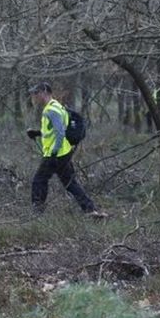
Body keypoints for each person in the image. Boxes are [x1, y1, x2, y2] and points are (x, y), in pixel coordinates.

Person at [27, 82, 105, 218]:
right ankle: (91, 210)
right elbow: (53, 130)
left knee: (39, 181)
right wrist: (37, 133)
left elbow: (60, 132)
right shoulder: (57, 107)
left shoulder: (51, 110)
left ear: (44, 92)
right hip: (64, 152)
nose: (34, 96)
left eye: (36, 93)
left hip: (56, 154)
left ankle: (36, 214)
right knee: (70, 183)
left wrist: (54, 153)